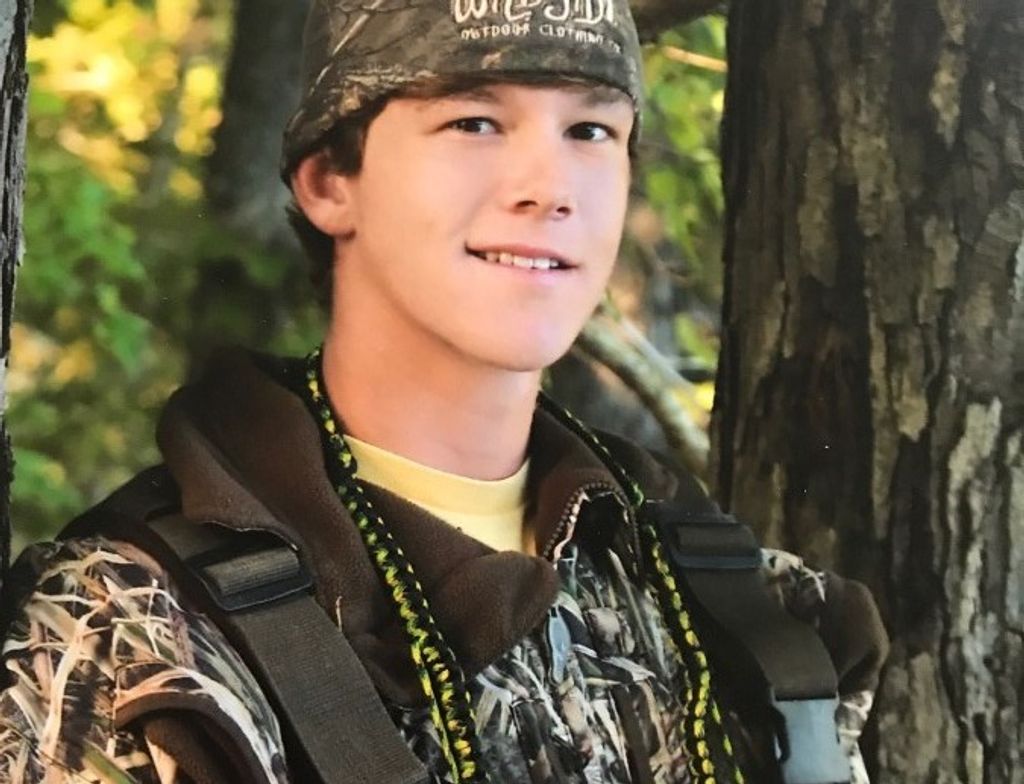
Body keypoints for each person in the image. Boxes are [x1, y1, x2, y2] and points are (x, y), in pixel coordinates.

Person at [0, 0, 889, 782]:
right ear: (329, 180)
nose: (549, 189)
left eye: (590, 131)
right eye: (475, 121)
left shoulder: (748, 615)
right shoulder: (130, 640)